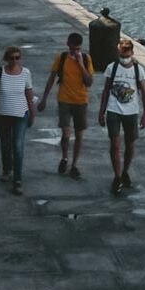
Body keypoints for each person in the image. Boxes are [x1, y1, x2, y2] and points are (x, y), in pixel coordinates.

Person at [37, 31, 94, 179]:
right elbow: (51, 79)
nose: (75, 52)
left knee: (79, 135)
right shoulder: (61, 58)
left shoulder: (86, 59)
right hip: (64, 100)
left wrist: (80, 64)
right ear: (68, 45)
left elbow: (89, 82)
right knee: (66, 133)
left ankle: (74, 164)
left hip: (81, 101)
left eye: (78, 49)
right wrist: (44, 99)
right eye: (73, 49)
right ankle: (64, 157)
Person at [98, 38, 145, 195]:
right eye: (121, 54)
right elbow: (106, 90)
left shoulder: (138, 70)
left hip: (131, 111)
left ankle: (125, 170)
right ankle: (117, 176)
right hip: (114, 110)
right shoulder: (111, 68)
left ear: (132, 53)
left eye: (126, 54)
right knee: (115, 145)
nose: (123, 57)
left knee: (130, 144)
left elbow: (144, 93)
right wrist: (102, 111)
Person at [0, 45, 35, 195]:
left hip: (21, 115)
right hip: (2, 115)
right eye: (12, 58)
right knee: (6, 144)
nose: (14, 61)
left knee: (18, 147)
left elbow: (29, 93)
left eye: (17, 58)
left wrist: (32, 113)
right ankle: (7, 169)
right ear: (6, 59)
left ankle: (18, 180)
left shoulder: (26, 73)